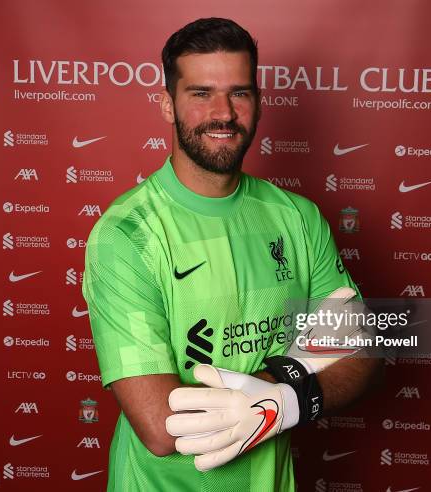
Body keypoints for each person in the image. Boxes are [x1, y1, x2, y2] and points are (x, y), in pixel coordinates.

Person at [83, 17, 382, 492]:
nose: (223, 112)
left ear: (259, 103)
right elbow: (161, 426)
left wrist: (284, 399)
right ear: (167, 105)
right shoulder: (127, 234)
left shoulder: (297, 218)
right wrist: (293, 381)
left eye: (239, 93)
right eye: (201, 93)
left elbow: (362, 346)